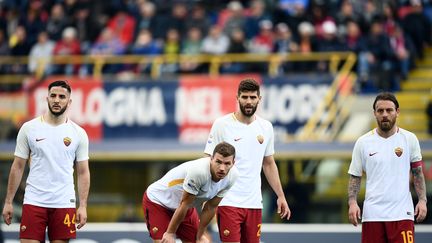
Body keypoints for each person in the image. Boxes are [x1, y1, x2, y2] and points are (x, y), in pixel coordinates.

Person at [2, 80, 90, 242]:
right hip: (34, 200)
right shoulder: (29, 128)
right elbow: (18, 166)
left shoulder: (79, 133)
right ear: (47, 98)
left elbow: (83, 172)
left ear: (69, 102)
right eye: (53, 96)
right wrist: (8, 201)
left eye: (62, 97)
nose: (57, 100)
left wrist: (83, 205)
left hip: (64, 202)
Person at [204, 78, 290, 243]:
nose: (248, 101)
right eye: (244, 97)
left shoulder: (266, 127)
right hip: (227, 201)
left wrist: (280, 195)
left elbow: (269, 163)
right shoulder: (222, 125)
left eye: (252, 97)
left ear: (259, 99)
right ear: (237, 98)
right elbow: (208, 161)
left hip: (254, 203)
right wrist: (206, 194)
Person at [348, 92, 427, 243]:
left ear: (397, 112)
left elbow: (418, 173)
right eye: (380, 110)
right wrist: (352, 203)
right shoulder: (363, 142)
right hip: (373, 215)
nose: (385, 114)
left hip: (402, 215)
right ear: (374, 113)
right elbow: (355, 176)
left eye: (389, 110)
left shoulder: (409, 139)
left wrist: (422, 200)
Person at [142, 142, 238, 243]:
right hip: (158, 201)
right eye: (218, 162)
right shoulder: (199, 172)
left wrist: (200, 235)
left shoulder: (233, 176)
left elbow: (211, 207)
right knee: (166, 241)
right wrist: (170, 233)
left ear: (233, 163)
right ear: (211, 159)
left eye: (227, 163)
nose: (222, 168)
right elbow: (185, 204)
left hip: (185, 206)